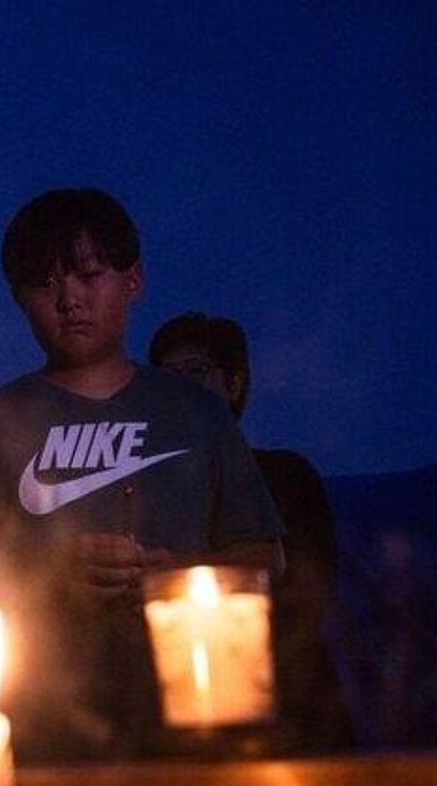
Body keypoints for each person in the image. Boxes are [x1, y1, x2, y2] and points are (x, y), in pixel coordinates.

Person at [0, 189, 283, 761]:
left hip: (190, 711)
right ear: (20, 299)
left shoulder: (196, 411)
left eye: (88, 275)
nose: (70, 298)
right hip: (43, 722)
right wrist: (51, 577)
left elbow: (266, 556)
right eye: (45, 283)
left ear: (133, 280)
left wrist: (181, 577)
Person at [149, 312, 356, 752]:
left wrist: (188, 574)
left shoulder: (284, 475)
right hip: (182, 704)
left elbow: (308, 588)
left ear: (234, 384)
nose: (182, 387)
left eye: (196, 371)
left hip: (290, 698)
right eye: (168, 376)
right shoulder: (150, 491)